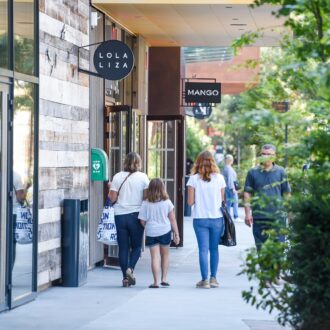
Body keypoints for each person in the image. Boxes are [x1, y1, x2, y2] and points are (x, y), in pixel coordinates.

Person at [109, 152, 149, 287]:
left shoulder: (117, 177)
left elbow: (113, 199)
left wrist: (110, 189)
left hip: (119, 215)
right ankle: (130, 269)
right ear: (138, 163)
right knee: (137, 246)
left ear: (125, 162)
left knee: (123, 248)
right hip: (136, 216)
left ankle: (125, 279)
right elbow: (146, 199)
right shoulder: (143, 178)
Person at [187, 151, 226, 289]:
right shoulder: (220, 178)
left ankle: (205, 280)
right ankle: (213, 278)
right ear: (212, 161)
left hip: (200, 218)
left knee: (203, 249)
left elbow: (190, 202)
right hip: (217, 219)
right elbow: (222, 200)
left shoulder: (193, 179)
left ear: (198, 162)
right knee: (214, 248)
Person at [243, 144, 291, 251]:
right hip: (259, 217)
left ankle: (277, 268)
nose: (265, 157)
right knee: (261, 249)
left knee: (278, 249)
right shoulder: (252, 172)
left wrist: (289, 213)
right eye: (263, 154)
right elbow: (247, 193)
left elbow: (286, 193)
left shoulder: (281, 171)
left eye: (268, 154)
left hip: (278, 217)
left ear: (274, 156)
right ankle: (265, 268)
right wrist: (247, 214)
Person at [139, 178, 180, 288]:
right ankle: (164, 279)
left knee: (155, 257)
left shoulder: (145, 203)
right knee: (165, 255)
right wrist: (176, 233)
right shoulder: (167, 202)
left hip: (151, 232)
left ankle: (156, 282)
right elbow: (172, 219)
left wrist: (148, 227)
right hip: (165, 231)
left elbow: (142, 221)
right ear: (162, 188)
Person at [222, 154, 240, 221]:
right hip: (230, 188)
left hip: (227, 187)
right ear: (230, 160)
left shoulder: (225, 168)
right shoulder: (229, 168)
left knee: (229, 202)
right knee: (235, 201)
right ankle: (236, 216)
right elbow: (230, 179)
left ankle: (228, 216)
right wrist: (233, 188)